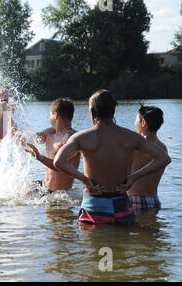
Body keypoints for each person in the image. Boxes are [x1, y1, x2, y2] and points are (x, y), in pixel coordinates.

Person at [53, 89, 171, 225]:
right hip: (121, 204)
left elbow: (59, 161)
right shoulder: (131, 137)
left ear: (92, 112)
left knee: (94, 245)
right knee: (122, 245)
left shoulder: (82, 137)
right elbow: (164, 158)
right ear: (113, 110)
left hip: (94, 204)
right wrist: (133, 177)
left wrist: (84, 180)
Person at [10, 98, 80, 193]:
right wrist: (8, 115)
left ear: (56, 115)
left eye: (50, 115)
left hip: (58, 194)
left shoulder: (71, 138)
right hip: (44, 186)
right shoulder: (49, 133)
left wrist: (40, 158)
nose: (49, 119)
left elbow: (64, 167)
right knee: (16, 188)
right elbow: (22, 140)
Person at [128, 104, 168, 211]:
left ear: (143, 123)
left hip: (134, 199)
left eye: (136, 120)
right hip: (154, 200)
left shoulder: (136, 146)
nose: (135, 123)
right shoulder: (163, 148)